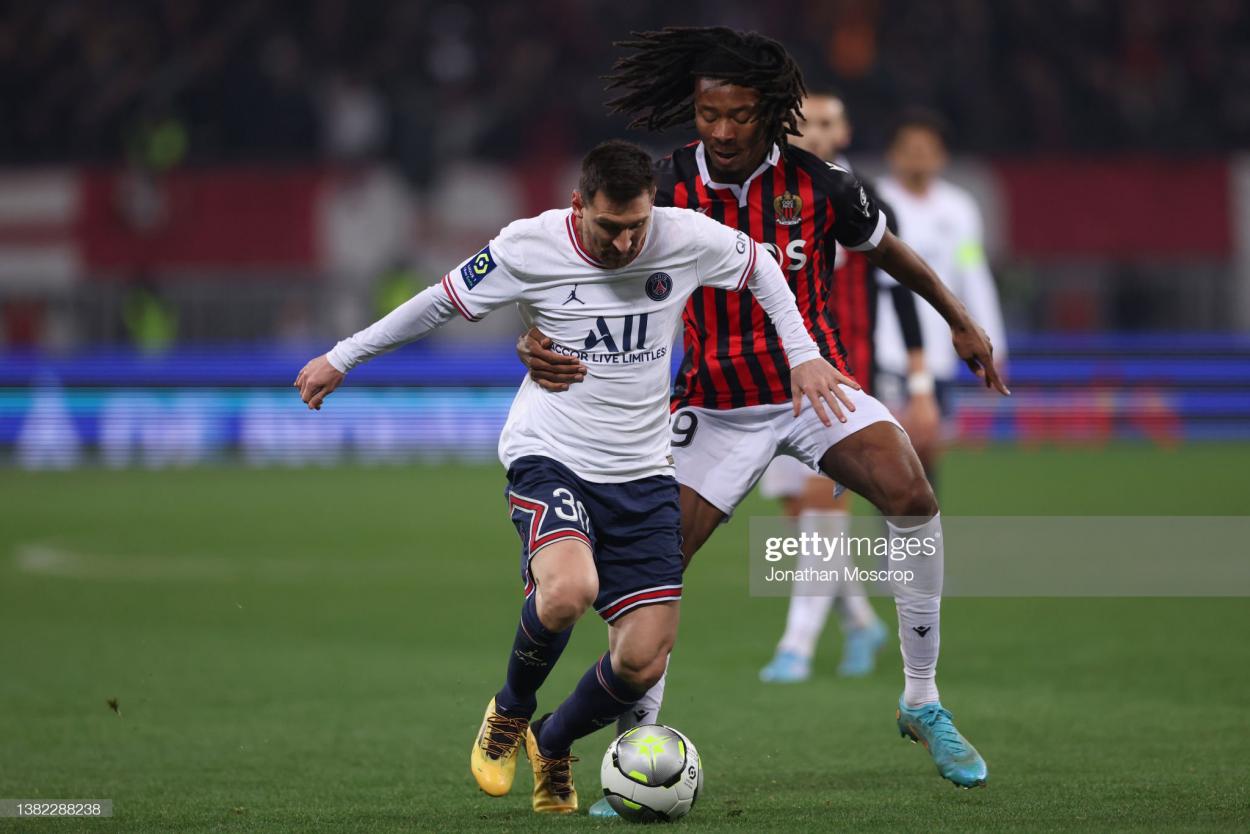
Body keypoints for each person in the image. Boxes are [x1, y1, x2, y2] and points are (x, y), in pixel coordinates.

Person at [294, 139, 855, 815]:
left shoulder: (680, 237)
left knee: (644, 658)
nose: (624, 243)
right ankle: (510, 709)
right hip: (551, 452)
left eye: (636, 226)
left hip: (644, 470)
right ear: (578, 206)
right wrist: (342, 357)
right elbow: (438, 302)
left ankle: (551, 741)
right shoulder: (528, 247)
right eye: (609, 227)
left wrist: (803, 355)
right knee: (568, 591)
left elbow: (762, 264)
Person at [517, 28, 1006, 802]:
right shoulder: (665, 184)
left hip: (814, 393)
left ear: (770, 110)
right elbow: (579, 257)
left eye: (737, 114)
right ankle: (625, 760)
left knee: (912, 494)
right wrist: (535, 338)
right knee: (648, 578)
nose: (720, 130)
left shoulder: (823, 186)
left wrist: (957, 320)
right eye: (708, 113)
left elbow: (894, 252)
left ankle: (921, 700)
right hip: (711, 407)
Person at [757, 91, 935, 685]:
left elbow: (902, 290)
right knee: (801, 518)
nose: (816, 132)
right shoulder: (771, 202)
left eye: (827, 122)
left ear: (845, 131)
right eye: (805, 123)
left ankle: (796, 646)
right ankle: (860, 619)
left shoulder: (858, 201)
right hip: (773, 379)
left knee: (818, 511)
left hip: (844, 378)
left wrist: (918, 381)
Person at [875, 109, 1008, 488]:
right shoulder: (875, 202)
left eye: (926, 149)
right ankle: (894, 541)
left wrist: (994, 344)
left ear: (941, 156)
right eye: (909, 149)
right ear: (893, 155)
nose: (918, 157)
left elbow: (973, 275)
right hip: (887, 348)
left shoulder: (959, 209)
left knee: (929, 451)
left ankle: (918, 541)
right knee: (892, 451)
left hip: (940, 351)